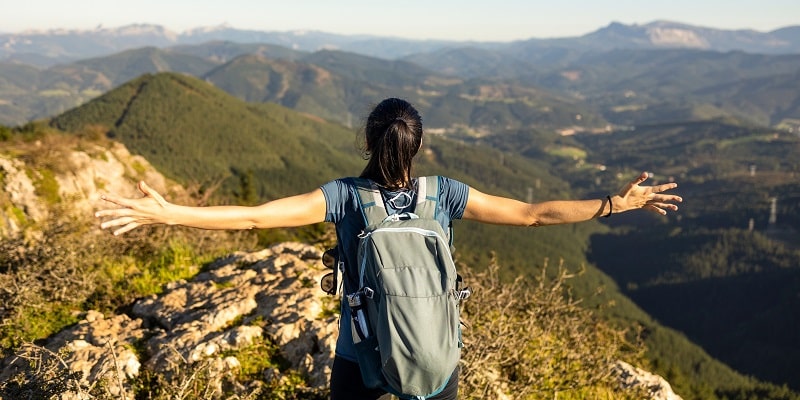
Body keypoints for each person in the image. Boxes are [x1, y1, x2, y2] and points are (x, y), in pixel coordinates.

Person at [95, 97, 682, 399]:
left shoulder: (344, 199)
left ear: (369, 143)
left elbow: (253, 218)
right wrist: (616, 203)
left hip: (363, 359)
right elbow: (532, 216)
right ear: (419, 144)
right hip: (436, 355)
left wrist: (169, 213)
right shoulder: (446, 194)